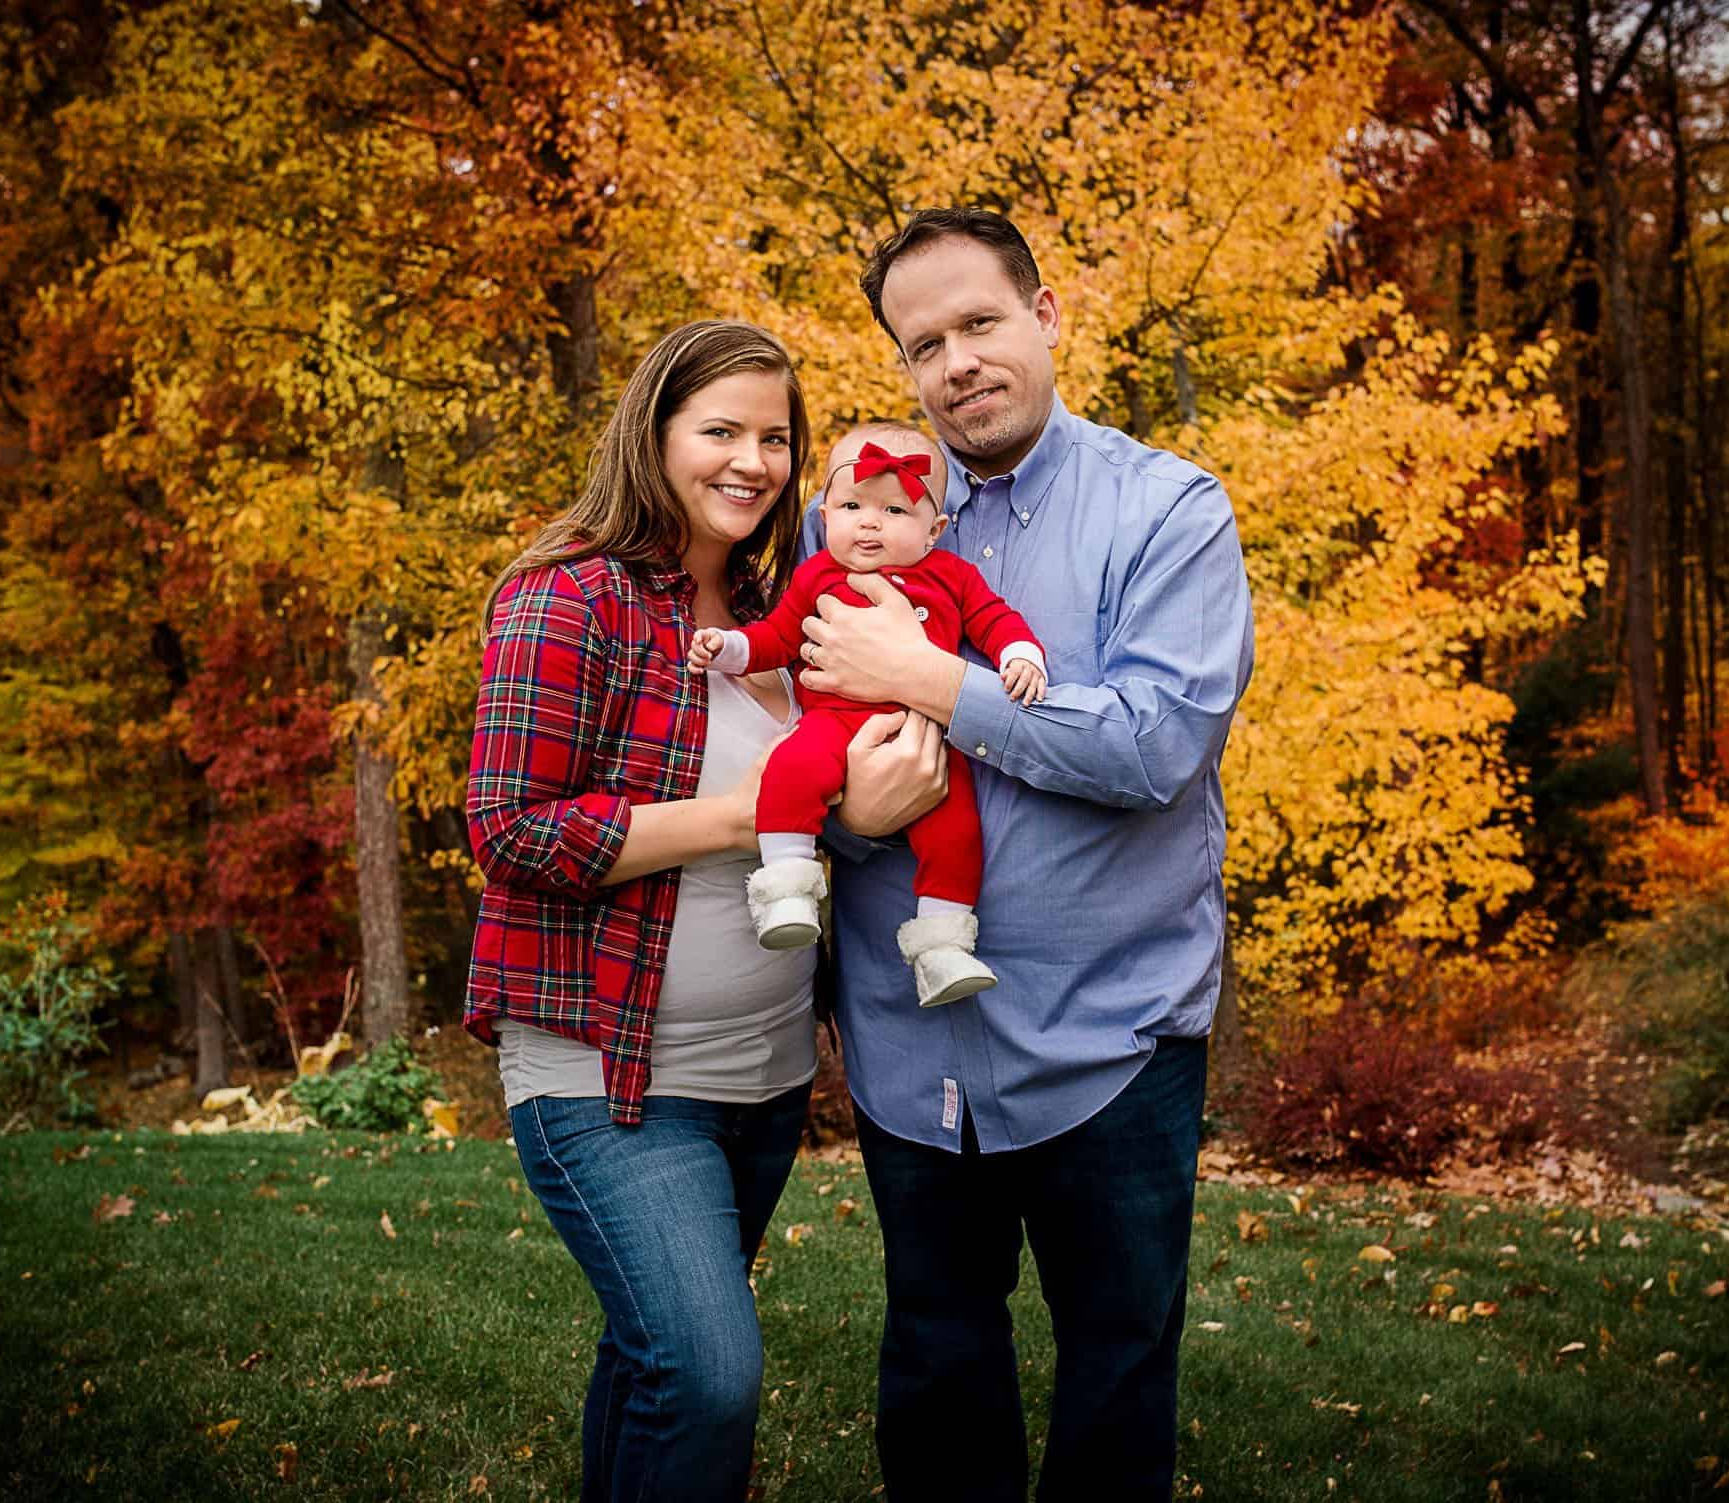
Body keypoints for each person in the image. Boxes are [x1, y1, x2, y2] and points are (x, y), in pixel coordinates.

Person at [796, 209, 1257, 1500]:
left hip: (1111, 1038)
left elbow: (1157, 743)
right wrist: (851, 816)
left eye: (980, 323)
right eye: (923, 341)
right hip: (908, 1041)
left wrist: (936, 681)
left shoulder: (1166, 510)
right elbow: (798, 756)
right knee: (937, 1367)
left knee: (1117, 1374)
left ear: (1046, 316)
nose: (956, 362)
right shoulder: (850, 523)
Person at [463, 319, 833, 1503]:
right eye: (719, 429)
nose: (752, 460)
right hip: (608, 1074)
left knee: (652, 1359)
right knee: (709, 1374)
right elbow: (510, 829)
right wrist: (741, 815)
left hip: (763, 1082)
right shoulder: (570, 596)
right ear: (654, 434)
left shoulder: (786, 617)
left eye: (774, 436)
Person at [686, 421, 1047, 1008]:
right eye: (853, 506)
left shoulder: (952, 577)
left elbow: (994, 617)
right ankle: (787, 886)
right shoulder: (815, 576)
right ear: (825, 517)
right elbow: (777, 638)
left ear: (934, 532)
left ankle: (942, 947)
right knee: (791, 768)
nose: (871, 522)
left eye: (895, 511)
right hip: (832, 723)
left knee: (958, 830)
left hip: (927, 732)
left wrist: (1020, 653)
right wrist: (728, 648)